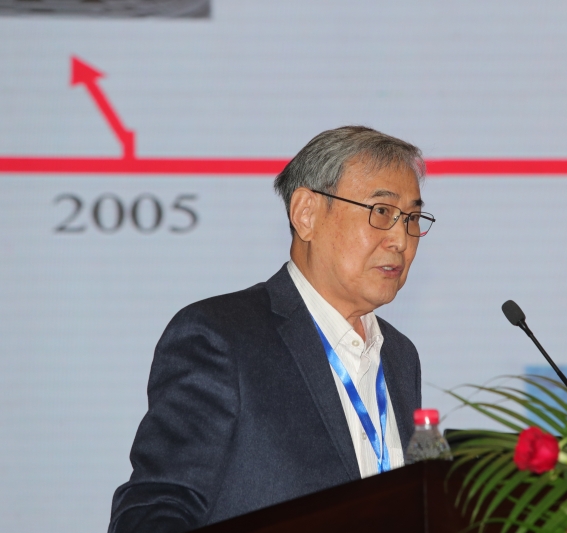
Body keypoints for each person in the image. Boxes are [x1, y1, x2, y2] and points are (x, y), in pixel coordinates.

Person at [108, 126, 435, 533]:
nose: (401, 239)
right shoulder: (221, 337)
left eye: (412, 218)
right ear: (306, 214)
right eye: (382, 212)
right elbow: (154, 508)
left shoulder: (400, 356)